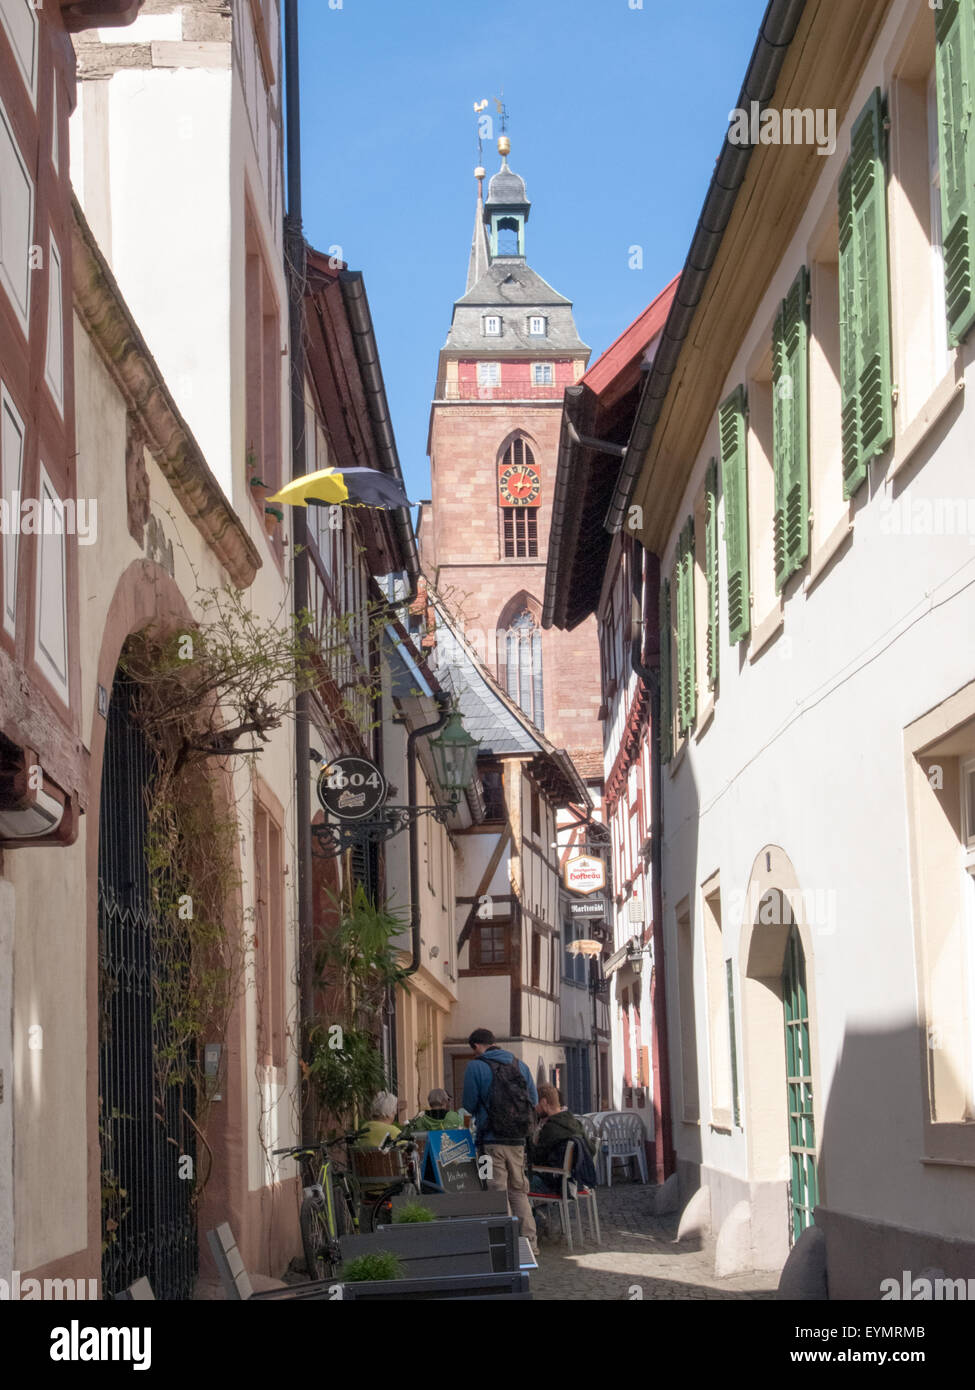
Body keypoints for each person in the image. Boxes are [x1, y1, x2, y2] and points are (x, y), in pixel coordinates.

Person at [462, 1028, 539, 1253]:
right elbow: (532, 1100)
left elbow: (468, 1104)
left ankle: (504, 1246)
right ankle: (529, 1245)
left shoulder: (475, 1066)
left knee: (494, 1191)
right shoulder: (520, 1065)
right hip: (517, 1141)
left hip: (489, 1141)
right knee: (518, 1190)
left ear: (476, 1046)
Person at [529, 1085, 596, 1195]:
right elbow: (591, 1150)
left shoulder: (551, 1128)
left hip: (555, 1184)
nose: (535, 1108)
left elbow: (536, 1159)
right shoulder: (576, 1123)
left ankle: (530, 1212)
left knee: (517, 1182)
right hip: (576, 1181)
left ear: (544, 1102)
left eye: (536, 1103)